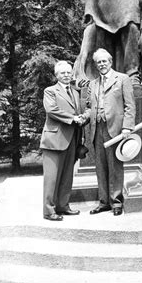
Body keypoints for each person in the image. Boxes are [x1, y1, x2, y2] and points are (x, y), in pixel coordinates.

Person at [87, 48, 136, 216]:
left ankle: (116, 202)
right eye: (98, 62)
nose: (101, 64)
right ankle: (103, 202)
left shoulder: (122, 79)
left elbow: (130, 105)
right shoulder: (93, 84)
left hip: (115, 129)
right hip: (96, 129)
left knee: (115, 166)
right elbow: (90, 107)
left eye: (104, 61)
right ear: (96, 65)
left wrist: (127, 127)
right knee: (100, 167)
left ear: (110, 62)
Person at [40, 61, 89, 221]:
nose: (67, 75)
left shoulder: (76, 92)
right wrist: (73, 118)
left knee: (67, 177)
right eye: (63, 73)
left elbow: (80, 112)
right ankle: (49, 211)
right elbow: (51, 110)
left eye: (69, 72)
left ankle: (63, 206)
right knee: (52, 178)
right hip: (54, 140)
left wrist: (82, 118)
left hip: (71, 140)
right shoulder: (50, 91)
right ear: (57, 75)